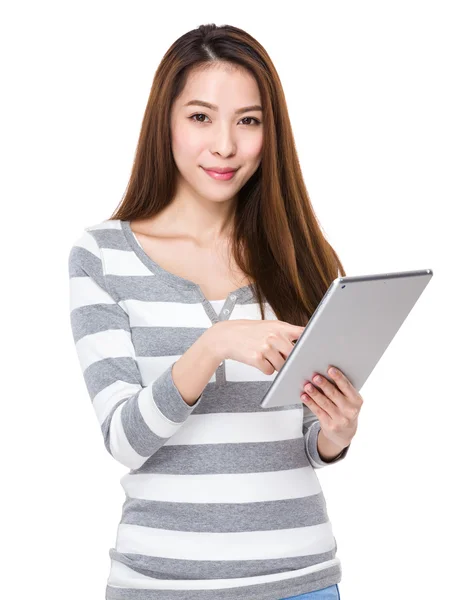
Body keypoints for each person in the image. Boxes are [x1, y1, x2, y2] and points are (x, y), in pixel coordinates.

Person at [68, 23, 356, 600]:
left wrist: (336, 433)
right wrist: (214, 344)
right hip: (161, 585)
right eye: (200, 117)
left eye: (248, 121)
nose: (225, 145)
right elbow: (124, 438)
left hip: (300, 582)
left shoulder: (304, 257)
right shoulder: (102, 255)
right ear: (165, 123)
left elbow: (303, 440)